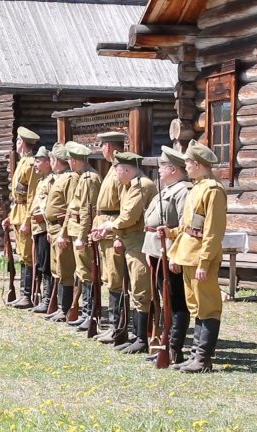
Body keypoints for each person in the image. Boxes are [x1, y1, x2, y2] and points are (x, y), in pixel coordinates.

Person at [161, 140, 227, 373]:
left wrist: (205, 261)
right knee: (196, 306)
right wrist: (171, 232)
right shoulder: (197, 187)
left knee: (207, 306)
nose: (185, 166)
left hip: (200, 258)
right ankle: (194, 356)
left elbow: (213, 230)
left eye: (188, 162)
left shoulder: (213, 190)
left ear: (197, 164)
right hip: (188, 255)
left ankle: (203, 358)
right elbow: (190, 226)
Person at [92, 152, 157, 354]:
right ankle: (136, 335)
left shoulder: (141, 186)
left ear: (126, 169)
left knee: (141, 289)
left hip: (140, 242)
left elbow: (128, 216)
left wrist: (111, 226)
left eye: (117, 169)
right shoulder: (129, 186)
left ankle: (143, 338)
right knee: (134, 289)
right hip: (131, 241)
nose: (115, 173)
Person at [143, 146, 192, 365]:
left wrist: (176, 256)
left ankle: (174, 348)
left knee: (176, 301)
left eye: (163, 166)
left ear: (173, 168)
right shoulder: (167, 190)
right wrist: (149, 251)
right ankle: (164, 344)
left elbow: (183, 226)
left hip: (170, 252)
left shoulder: (183, 191)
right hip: (156, 250)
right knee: (163, 301)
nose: (160, 170)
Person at [90, 132, 127, 344]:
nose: (100, 148)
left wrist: (118, 235)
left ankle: (118, 327)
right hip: (105, 231)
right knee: (109, 279)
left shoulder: (120, 173)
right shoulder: (112, 171)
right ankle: (114, 325)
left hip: (113, 232)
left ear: (110, 148)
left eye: (102, 145)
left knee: (116, 280)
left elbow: (123, 207)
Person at [62, 142, 101, 329]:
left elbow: (87, 210)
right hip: (76, 228)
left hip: (81, 231)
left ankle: (90, 314)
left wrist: (82, 236)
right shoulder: (83, 177)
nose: (69, 162)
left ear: (77, 160)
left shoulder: (89, 179)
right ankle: (86, 312)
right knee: (82, 272)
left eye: (70, 159)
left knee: (87, 273)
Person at [3, 126, 41, 308]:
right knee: (22, 255)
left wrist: (27, 220)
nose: (16, 144)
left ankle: (29, 295)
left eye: (18, 141)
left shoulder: (31, 165)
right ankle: (22, 294)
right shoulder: (21, 163)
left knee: (28, 256)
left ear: (22, 143)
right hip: (18, 212)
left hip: (25, 214)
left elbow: (32, 195)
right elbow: (17, 196)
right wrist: (11, 217)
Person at [44, 142, 78, 322]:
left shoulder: (70, 178)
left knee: (66, 270)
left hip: (61, 228)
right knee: (57, 269)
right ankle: (60, 307)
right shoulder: (60, 177)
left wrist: (63, 232)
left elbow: (71, 206)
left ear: (56, 160)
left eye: (52, 159)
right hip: (54, 228)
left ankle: (66, 308)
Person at [27, 146, 55, 313]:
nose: (35, 164)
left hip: (45, 228)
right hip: (37, 228)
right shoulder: (41, 181)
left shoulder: (51, 181)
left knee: (46, 265)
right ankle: (45, 298)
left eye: (38, 161)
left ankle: (48, 299)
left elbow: (51, 207)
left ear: (47, 163)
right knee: (40, 264)